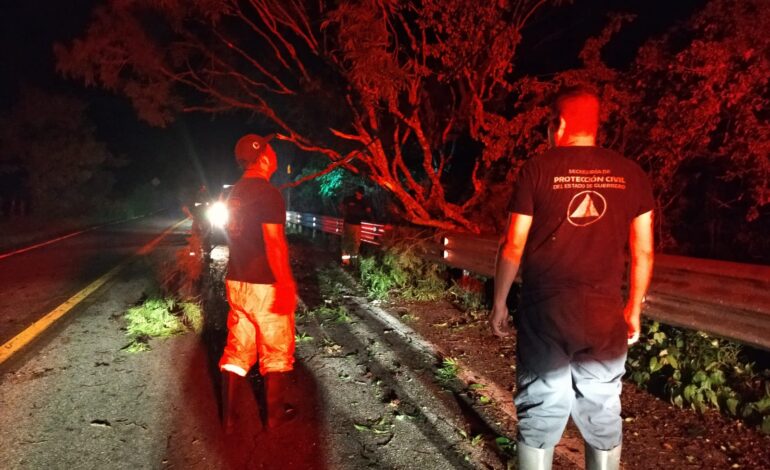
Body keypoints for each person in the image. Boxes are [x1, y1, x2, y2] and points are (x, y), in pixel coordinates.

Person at [490, 86, 654, 470]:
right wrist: (634, 308)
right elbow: (643, 251)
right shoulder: (632, 173)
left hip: (546, 311)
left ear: (558, 124)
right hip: (604, 312)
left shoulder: (538, 169)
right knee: (602, 408)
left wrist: (499, 302)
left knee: (540, 406)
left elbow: (513, 245)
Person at [219, 133, 298, 430]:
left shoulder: (233, 193)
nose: (275, 154)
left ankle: (229, 417)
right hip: (265, 284)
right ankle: (274, 416)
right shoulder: (268, 193)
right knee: (276, 348)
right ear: (263, 156)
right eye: (272, 150)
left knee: (238, 347)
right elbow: (274, 244)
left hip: (237, 281)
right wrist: (286, 284)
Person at [339, 186, 372, 266]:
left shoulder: (364, 202)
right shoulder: (349, 199)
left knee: (356, 242)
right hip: (348, 223)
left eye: (361, 193)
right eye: (359, 192)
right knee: (346, 241)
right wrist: (344, 213)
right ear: (356, 192)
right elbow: (341, 207)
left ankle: (354, 262)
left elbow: (368, 211)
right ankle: (345, 261)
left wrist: (366, 213)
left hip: (357, 225)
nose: (360, 195)